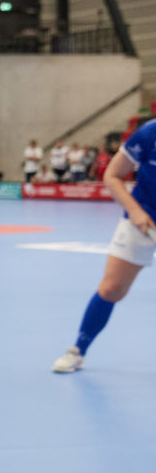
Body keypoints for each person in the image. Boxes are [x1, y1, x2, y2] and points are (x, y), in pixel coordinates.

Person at [50, 118, 156, 373]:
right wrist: (135, 211)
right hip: (142, 218)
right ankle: (77, 351)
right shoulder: (149, 134)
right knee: (112, 289)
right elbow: (112, 175)